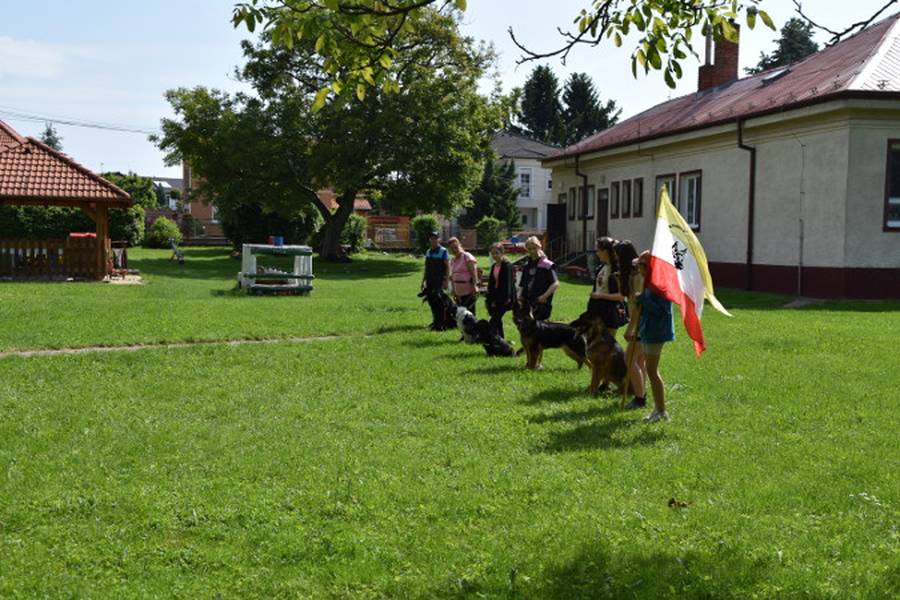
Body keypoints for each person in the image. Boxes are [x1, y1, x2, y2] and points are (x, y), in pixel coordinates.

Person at [626, 251, 675, 423]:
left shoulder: (660, 284)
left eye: (640, 265)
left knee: (652, 371)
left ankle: (661, 411)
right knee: (651, 370)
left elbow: (663, 311)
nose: (637, 269)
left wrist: (643, 300)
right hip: (647, 329)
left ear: (648, 267)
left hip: (657, 331)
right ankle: (658, 409)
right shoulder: (648, 283)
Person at [615, 240, 648, 410]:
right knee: (640, 360)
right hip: (641, 322)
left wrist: (631, 328)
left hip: (641, 323)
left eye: (617, 255)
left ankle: (639, 397)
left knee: (629, 359)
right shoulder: (633, 274)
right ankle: (642, 392)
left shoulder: (638, 276)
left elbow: (638, 305)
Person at [587, 236, 629, 337]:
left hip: (610, 312)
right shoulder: (601, 267)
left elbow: (621, 296)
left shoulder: (617, 270)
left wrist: (600, 295)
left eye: (598, 250)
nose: (597, 253)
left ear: (605, 251)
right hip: (597, 309)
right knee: (594, 341)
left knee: (607, 343)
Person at [518, 236, 558, 321]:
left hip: (541, 304)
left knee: (538, 327)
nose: (532, 251)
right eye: (529, 249)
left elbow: (555, 284)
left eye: (534, 248)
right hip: (527, 303)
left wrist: (544, 296)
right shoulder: (526, 266)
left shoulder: (547, 265)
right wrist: (520, 295)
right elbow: (522, 283)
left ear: (539, 247)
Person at [420, 231, 451, 330]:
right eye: (432, 238)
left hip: (439, 281)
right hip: (430, 281)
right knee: (431, 302)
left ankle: (441, 324)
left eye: (435, 238)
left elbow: (447, 267)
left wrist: (446, 280)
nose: (433, 240)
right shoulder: (428, 251)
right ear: (429, 239)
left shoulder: (443, 251)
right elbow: (426, 267)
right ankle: (435, 321)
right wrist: (423, 281)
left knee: (439, 303)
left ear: (439, 239)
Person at [485, 242, 515, 339]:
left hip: (504, 298)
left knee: (493, 321)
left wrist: (507, 298)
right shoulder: (494, 266)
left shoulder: (507, 265)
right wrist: (490, 298)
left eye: (496, 253)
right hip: (495, 297)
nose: (494, 255)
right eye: (492, 253)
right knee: (497, 321)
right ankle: (501, 340)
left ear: (502, 253)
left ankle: (491, 339)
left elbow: (508, 283)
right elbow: (491, 283)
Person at [447, 237, 479, 316]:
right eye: (452, 248)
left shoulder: (467, 256)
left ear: (460, 245)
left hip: (468, 291)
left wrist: (475, 286)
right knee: (461, 315)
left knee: (470, 315)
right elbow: (452, 277)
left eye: (456, 247)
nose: (454, 250)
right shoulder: (452, 260)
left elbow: (474, 273)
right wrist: (453, 291)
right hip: (458, 292)